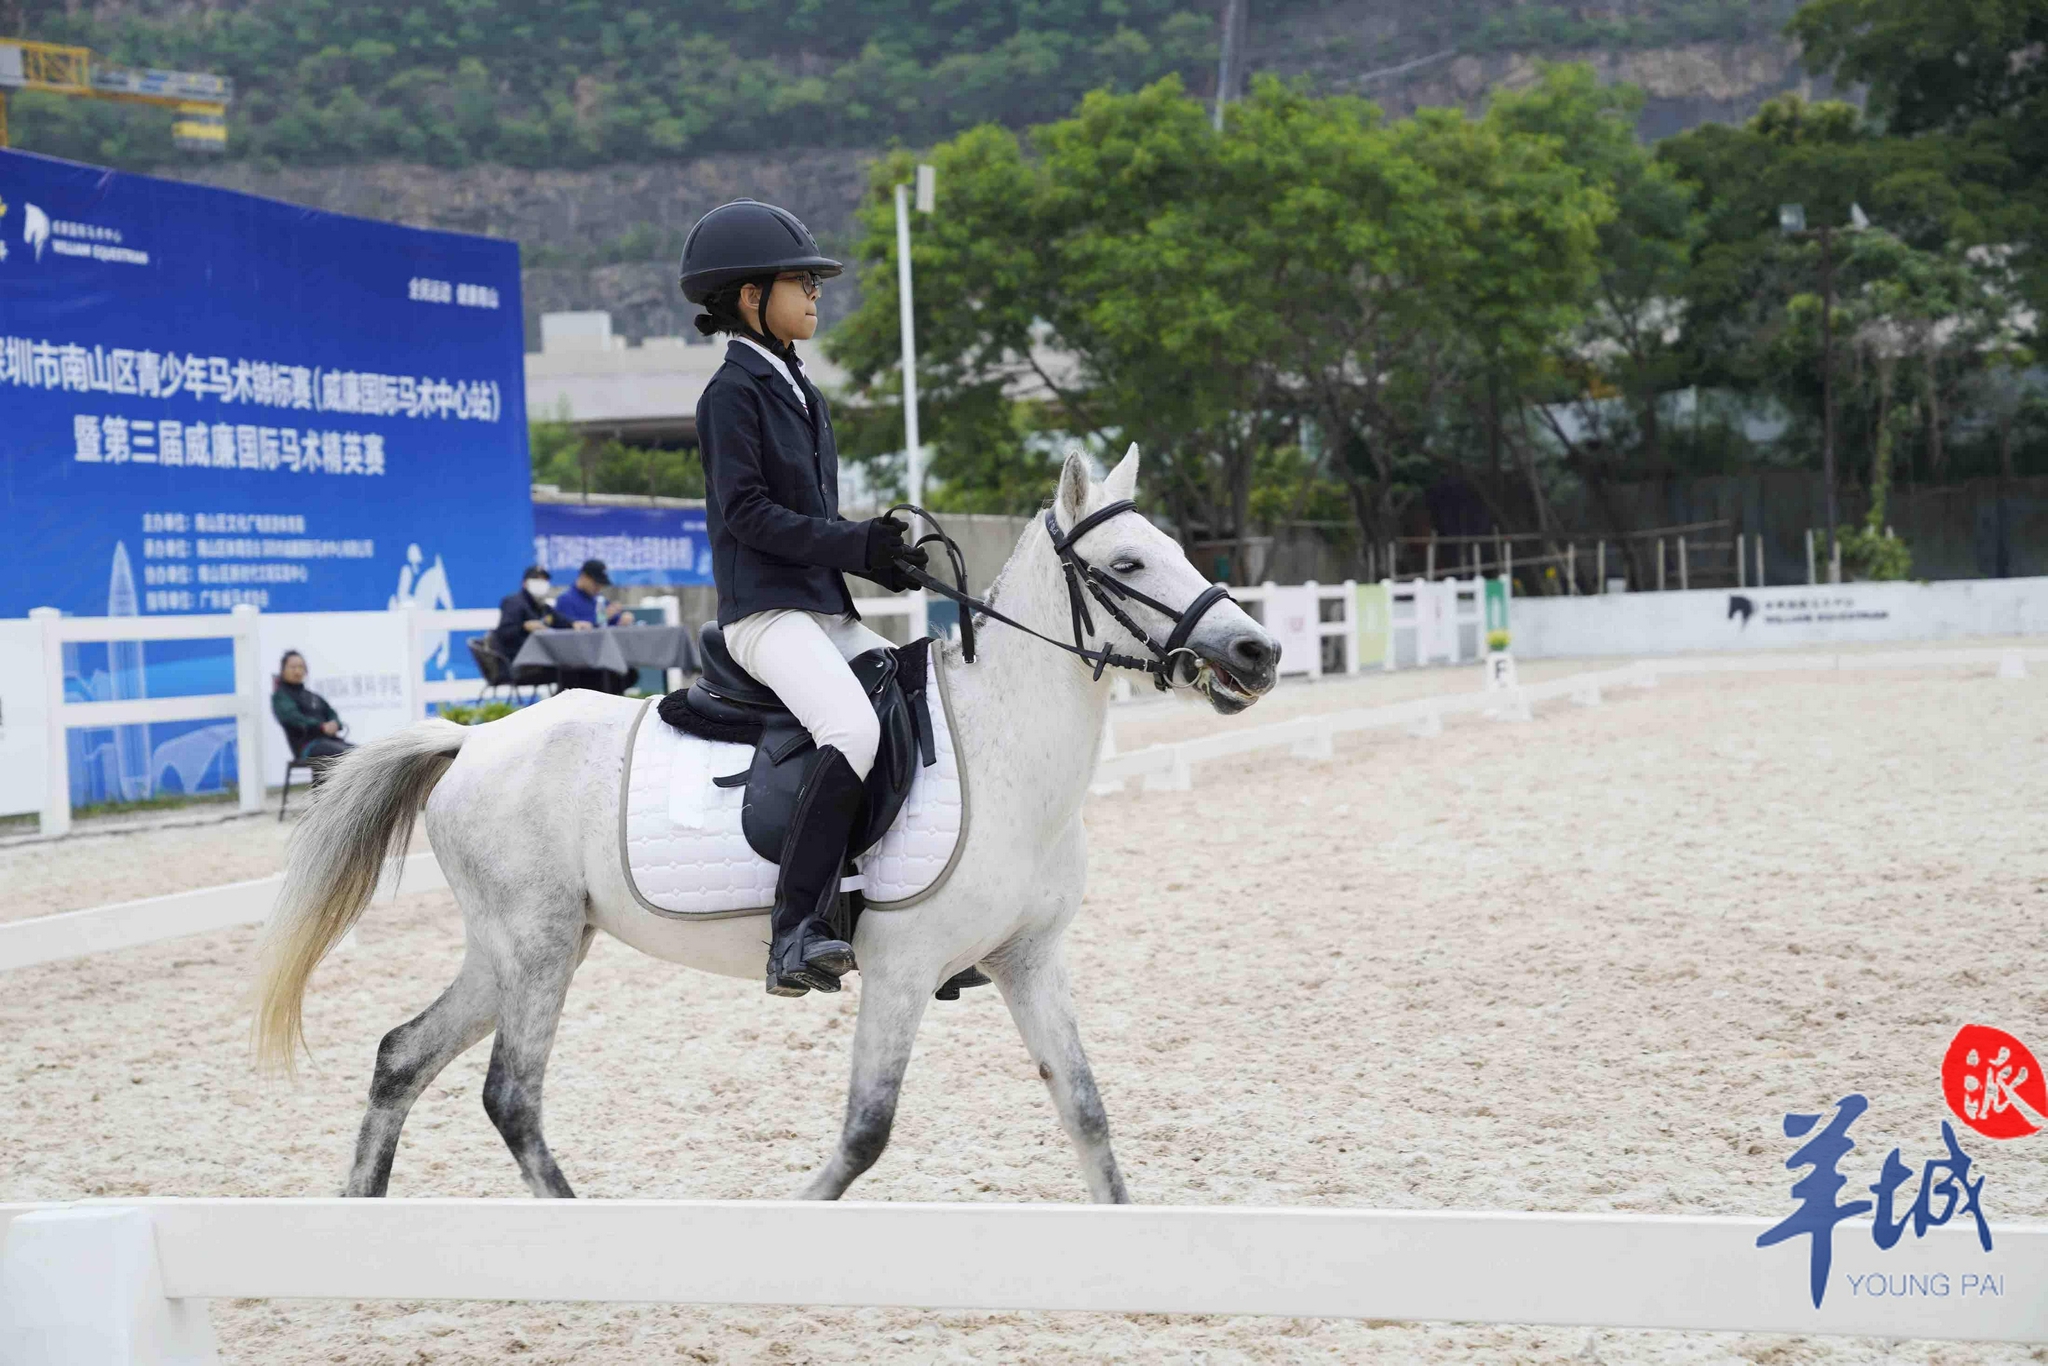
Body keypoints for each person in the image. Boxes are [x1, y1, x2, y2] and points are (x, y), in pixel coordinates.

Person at [681, 197, 930, 999]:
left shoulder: (799, 388)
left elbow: (815, 522)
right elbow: (748, 515)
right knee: (851, 724)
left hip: (823, 608)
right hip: (767, 614)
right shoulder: (731, 395)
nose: (818, 296)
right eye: (801, 283)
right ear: (751, 298)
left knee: (918, 698)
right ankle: (794, 930)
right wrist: (851, 542)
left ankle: (899, 900)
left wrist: (877, 563)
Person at [271, 651, 353, 782]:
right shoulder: (281, 697)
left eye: (301, 667)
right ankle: (324, 799)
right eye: (293, 667)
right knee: (344, 754)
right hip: (307, 746)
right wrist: (320, 726)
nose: (297, 671)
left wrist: (335, 724)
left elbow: (331, 713)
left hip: (331, 741)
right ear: (283, 670)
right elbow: (293, 718)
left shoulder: (313, 696)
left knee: (360, 753)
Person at [492, 565, 569, 662]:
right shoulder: (513, 603)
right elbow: (504, 633)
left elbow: (561, 621)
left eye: (544, 581)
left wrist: (574, 624)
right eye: (536, 580)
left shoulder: (543, 607)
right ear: (525, 583)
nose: (541, 584)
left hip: (538, 658)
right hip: (516, 660)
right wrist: (524, 627)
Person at [552, 560, 634, 629]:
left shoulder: (598, 599)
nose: (599, 588)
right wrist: (601, 617)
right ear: (584, 577)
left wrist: (623, 619)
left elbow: (612, 621)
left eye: (601, 585)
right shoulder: (566, 600)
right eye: (596, 583)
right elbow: (571, 628)